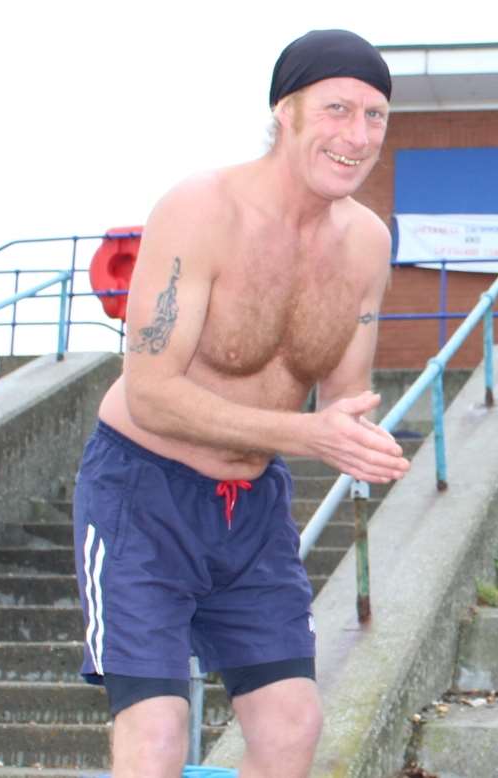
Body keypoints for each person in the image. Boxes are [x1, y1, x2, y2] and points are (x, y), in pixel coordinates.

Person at [72, 29, 410, 778]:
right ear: (284, 112)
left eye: (376, 116)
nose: (358, 136)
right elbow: (154, 393)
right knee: (158, 735)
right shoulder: (201, 210)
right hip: (142, 495)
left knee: (292, 726)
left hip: (251, 508)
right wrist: (310, 433)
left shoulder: (367, 243)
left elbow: (343, 396)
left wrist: (361, 436)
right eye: (337, 110)